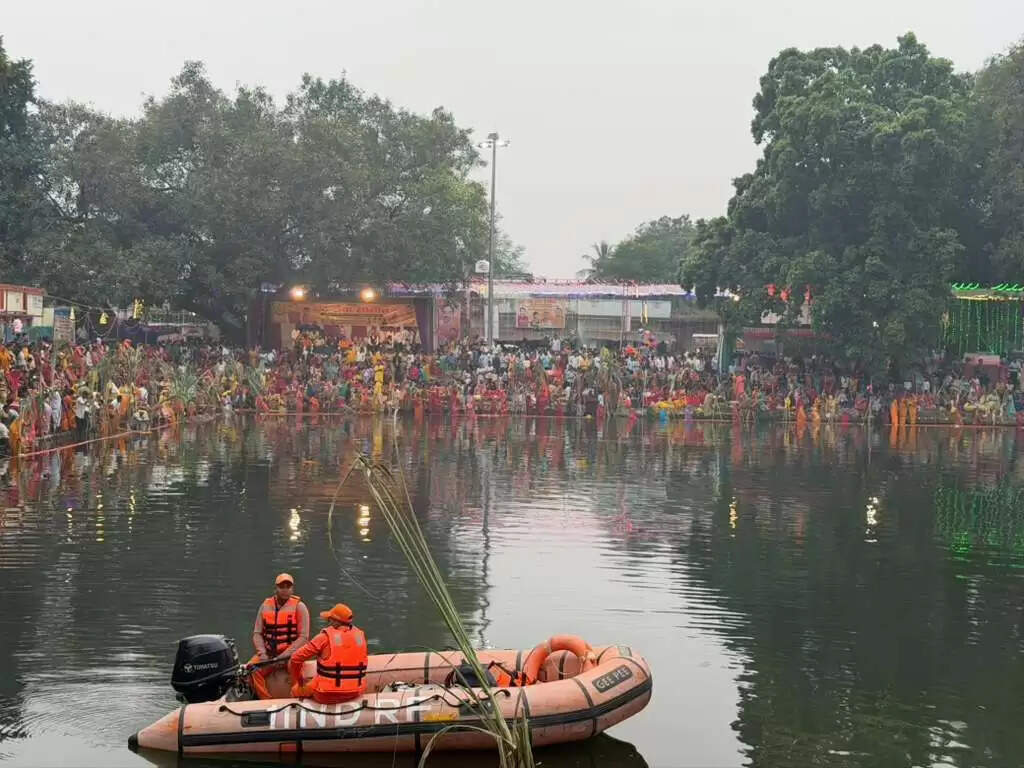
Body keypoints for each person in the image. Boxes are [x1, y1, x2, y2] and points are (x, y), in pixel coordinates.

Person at [288, 603, 368, 703]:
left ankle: (297, 712)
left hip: (327, 694)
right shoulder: (360, 636)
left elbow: (295, 658)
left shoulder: (323, 638)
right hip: (355, 691)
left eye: (330, 619)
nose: (328, 622)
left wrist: (299, 682)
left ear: (336, 621)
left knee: (295, 691)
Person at [249, 573, 309, 700]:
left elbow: (303, 637)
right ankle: (266, 701)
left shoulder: (300, 607)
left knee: (296, 670)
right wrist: (262, 654)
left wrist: (284, 656)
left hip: (291, 655)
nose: (285, 589)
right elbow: (257, 633)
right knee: (252, 669)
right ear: (275, 588)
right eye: (282, 586)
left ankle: (297, 699)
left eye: (288, 586)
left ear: (292, 589)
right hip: (269, 654)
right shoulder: (265, 606)